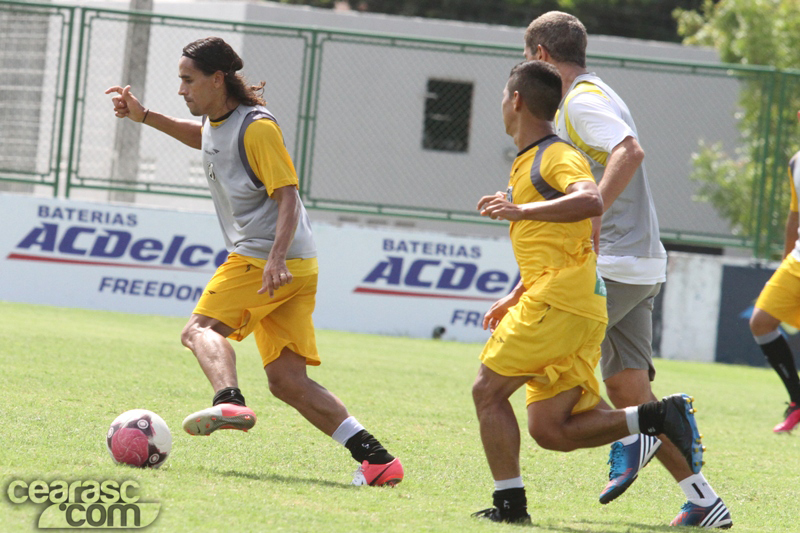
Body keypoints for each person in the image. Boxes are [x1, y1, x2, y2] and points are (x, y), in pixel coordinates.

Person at [105, 37, 402, 487]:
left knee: (198, 330)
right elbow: (205, 140)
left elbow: (287, 195)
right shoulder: (219, 123)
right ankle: (378, 461)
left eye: (188, 80)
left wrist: (274, 258)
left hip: (265, 259)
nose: (181, 90)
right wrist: (144, 116)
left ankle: (229, 399)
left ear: (217, 79)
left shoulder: (257, 128)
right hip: (295, 266)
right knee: (288, 382)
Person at [471, 59, 703, 525]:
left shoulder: (555, 154)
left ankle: (509, 507)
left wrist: (519, 210)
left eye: (502, 95)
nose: (501, 103)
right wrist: (517, 292)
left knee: (487, 392)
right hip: (568, 300)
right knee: (551, 429)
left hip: (560, 302)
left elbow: (591, 198)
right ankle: (655, 417)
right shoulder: (529, 160)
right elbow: (570, 240)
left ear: (516, 100)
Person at [522, 12, 731, 528]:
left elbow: (630, 151)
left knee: (534, 385)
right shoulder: (599, 91)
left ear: (542, 56)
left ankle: (631, 438)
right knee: (630, 390)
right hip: (637, 262)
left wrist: (593, 209)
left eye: (527, 59)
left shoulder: (581, 101)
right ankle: (704, 501)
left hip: (612, 262)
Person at [749, 117, 800, 434]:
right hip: (797, 261)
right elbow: (794, 216)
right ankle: (797, 400)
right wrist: (785, 259)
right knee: (761, 322)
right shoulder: (796, 161)